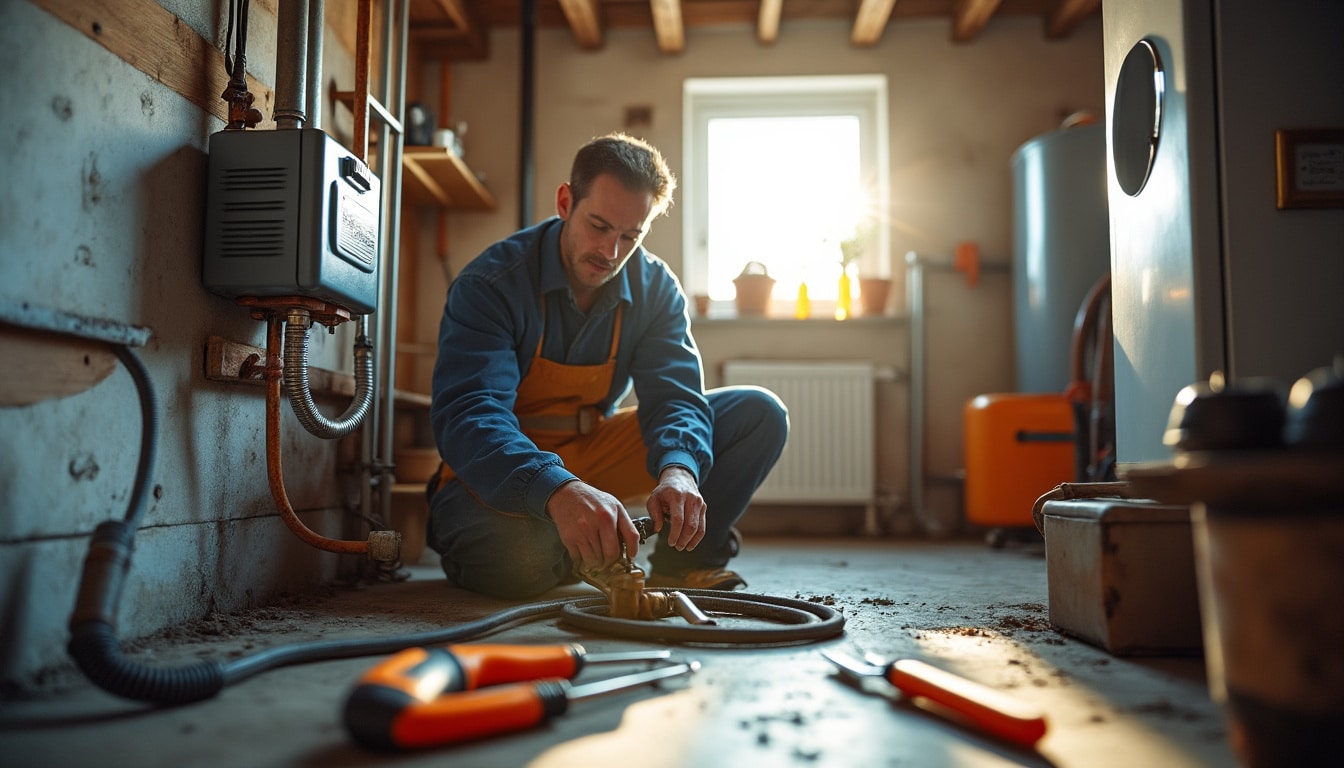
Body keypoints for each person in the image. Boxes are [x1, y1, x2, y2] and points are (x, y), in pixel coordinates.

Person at [425, 132, 789, 600]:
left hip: (593, 449)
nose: (610, 252)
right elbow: (471, 413)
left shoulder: (656, 289)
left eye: (630, 236)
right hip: (495, 468)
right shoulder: (491, 284)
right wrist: (556, 489)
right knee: (523, 556)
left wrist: (680, 469)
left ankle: (683, 563)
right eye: (598, 226)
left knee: (759, 414)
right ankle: (561, 545)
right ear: (565, 202)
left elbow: (676, 398)